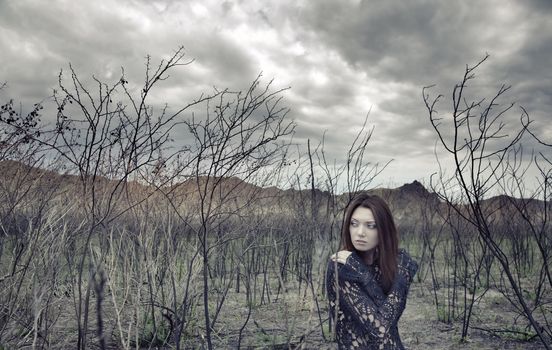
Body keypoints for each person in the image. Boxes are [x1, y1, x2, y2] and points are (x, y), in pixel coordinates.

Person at [326, 193, 418, 349]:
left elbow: (391, 321)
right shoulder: (341, 267)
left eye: (370, 225)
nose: (360, 232)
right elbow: (380, 329)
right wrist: (362, 273)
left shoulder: (394, 264)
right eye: (354, 224)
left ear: (383, 229)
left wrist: (401, 274)